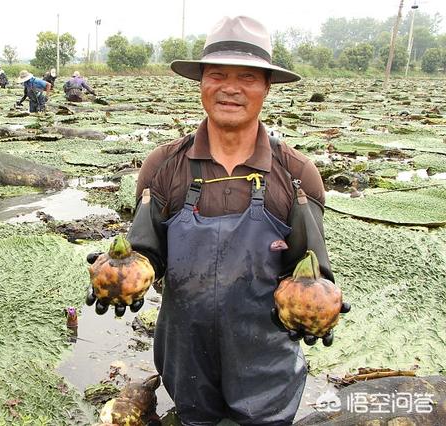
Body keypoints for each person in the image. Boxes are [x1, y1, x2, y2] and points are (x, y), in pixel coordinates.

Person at [85, 16, 350, 425]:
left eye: (247, 77)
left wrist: (317, 303)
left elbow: (310, 267)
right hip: (184, 353)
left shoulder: (296, 174)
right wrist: (120, 275)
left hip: (265, 359)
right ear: (202, 83)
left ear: (266, 87)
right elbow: (146, 253)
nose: (231, 87)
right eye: (218, 74)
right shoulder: (163, 166)